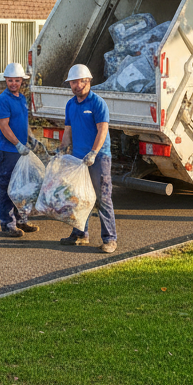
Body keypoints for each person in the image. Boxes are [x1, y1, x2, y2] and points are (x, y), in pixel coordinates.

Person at [59, 63, 116, 253]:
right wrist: (61, 150)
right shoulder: (70, 105)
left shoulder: (98, 103)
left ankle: (109, 239)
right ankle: (80, 234)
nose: (76, 86)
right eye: (73, 83)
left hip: (98, 159)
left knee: (102, 199)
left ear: (88, 81)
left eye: (80, 82)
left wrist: (93, 152)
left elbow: (103, 130)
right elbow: (68, 131)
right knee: (79, 198)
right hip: (78, 160)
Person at [0, 62, 42, 238]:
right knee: (8, 188)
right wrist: (17, 144)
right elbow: (4, 126)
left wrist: (30, 138)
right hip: (8, 151)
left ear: (22, 81)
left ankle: (22, 220)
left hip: (20, 150)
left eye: (16, 80)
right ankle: (7, 224)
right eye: (10, 80)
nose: (13, 83)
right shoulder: (3, 100)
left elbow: (24, 122)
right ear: (5, 80)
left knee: (22, 188)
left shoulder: (21, 99)